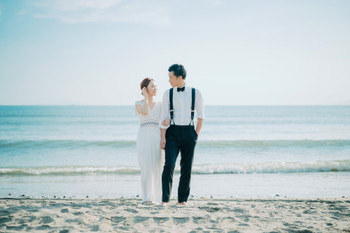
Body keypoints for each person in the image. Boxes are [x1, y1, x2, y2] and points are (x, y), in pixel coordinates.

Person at [159, 64, 204, 206]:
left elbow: (201, 117)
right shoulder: (167, 93)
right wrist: (163, 137)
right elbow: (164, 118)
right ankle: (165, 199)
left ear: (179, 77)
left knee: (187, 167)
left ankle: (182, 200)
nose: (169, 80)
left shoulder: (196, 93)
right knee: (169, 165)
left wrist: (195, 135)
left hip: (189, 132)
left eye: (170, 77)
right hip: (172, 132)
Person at [135, 78, 164, 204]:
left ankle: (158, 197)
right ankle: (147, 197)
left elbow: (164, 123)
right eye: (152, 86)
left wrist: (164, 138)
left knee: (158, 166)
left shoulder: (161, 105)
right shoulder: (138, 103)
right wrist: (146, 98)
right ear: (145, 89)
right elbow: (145, 112)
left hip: (156, 134)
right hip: (144, 135)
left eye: (156, 86)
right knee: (146, 166)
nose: (155, 88)